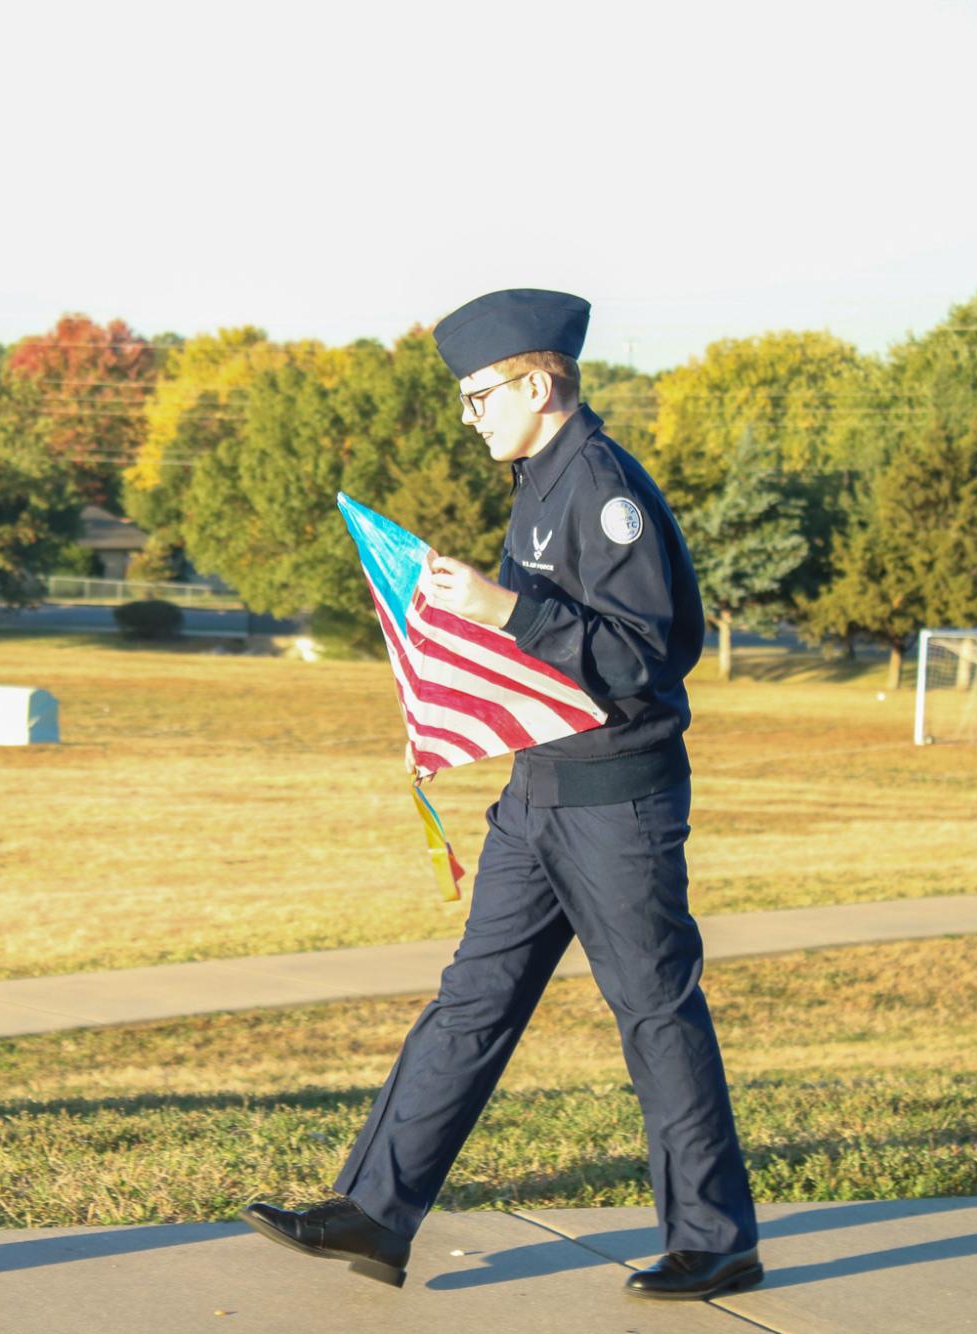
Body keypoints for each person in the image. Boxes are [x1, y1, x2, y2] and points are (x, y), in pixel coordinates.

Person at [241, 289, 762, 1302]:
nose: (470, 413)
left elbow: (646, 654)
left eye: (481, 394)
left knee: (655, 1010)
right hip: (540, 791)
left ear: (538, 383)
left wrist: (500, 606)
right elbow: (544, 652)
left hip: (615, 798)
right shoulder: (538, 480)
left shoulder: (602, 486)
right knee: (472, 998)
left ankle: (715, 1236)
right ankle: (375, 1209)